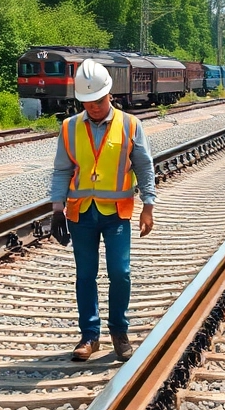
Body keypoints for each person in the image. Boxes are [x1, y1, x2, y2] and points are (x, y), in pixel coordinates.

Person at [49, 59, 157, 362]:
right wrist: (57, 209)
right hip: (81, 213)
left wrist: (149, 205)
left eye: (98, 101)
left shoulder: (130, 124)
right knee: (85, 275)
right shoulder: (70, 127)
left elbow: (144, 166)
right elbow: (61, 170)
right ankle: (89, 336)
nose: (93, 107)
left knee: (120, 273)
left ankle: (119, 332)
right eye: (87, 102)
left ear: (110, 95)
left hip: (117, 213)